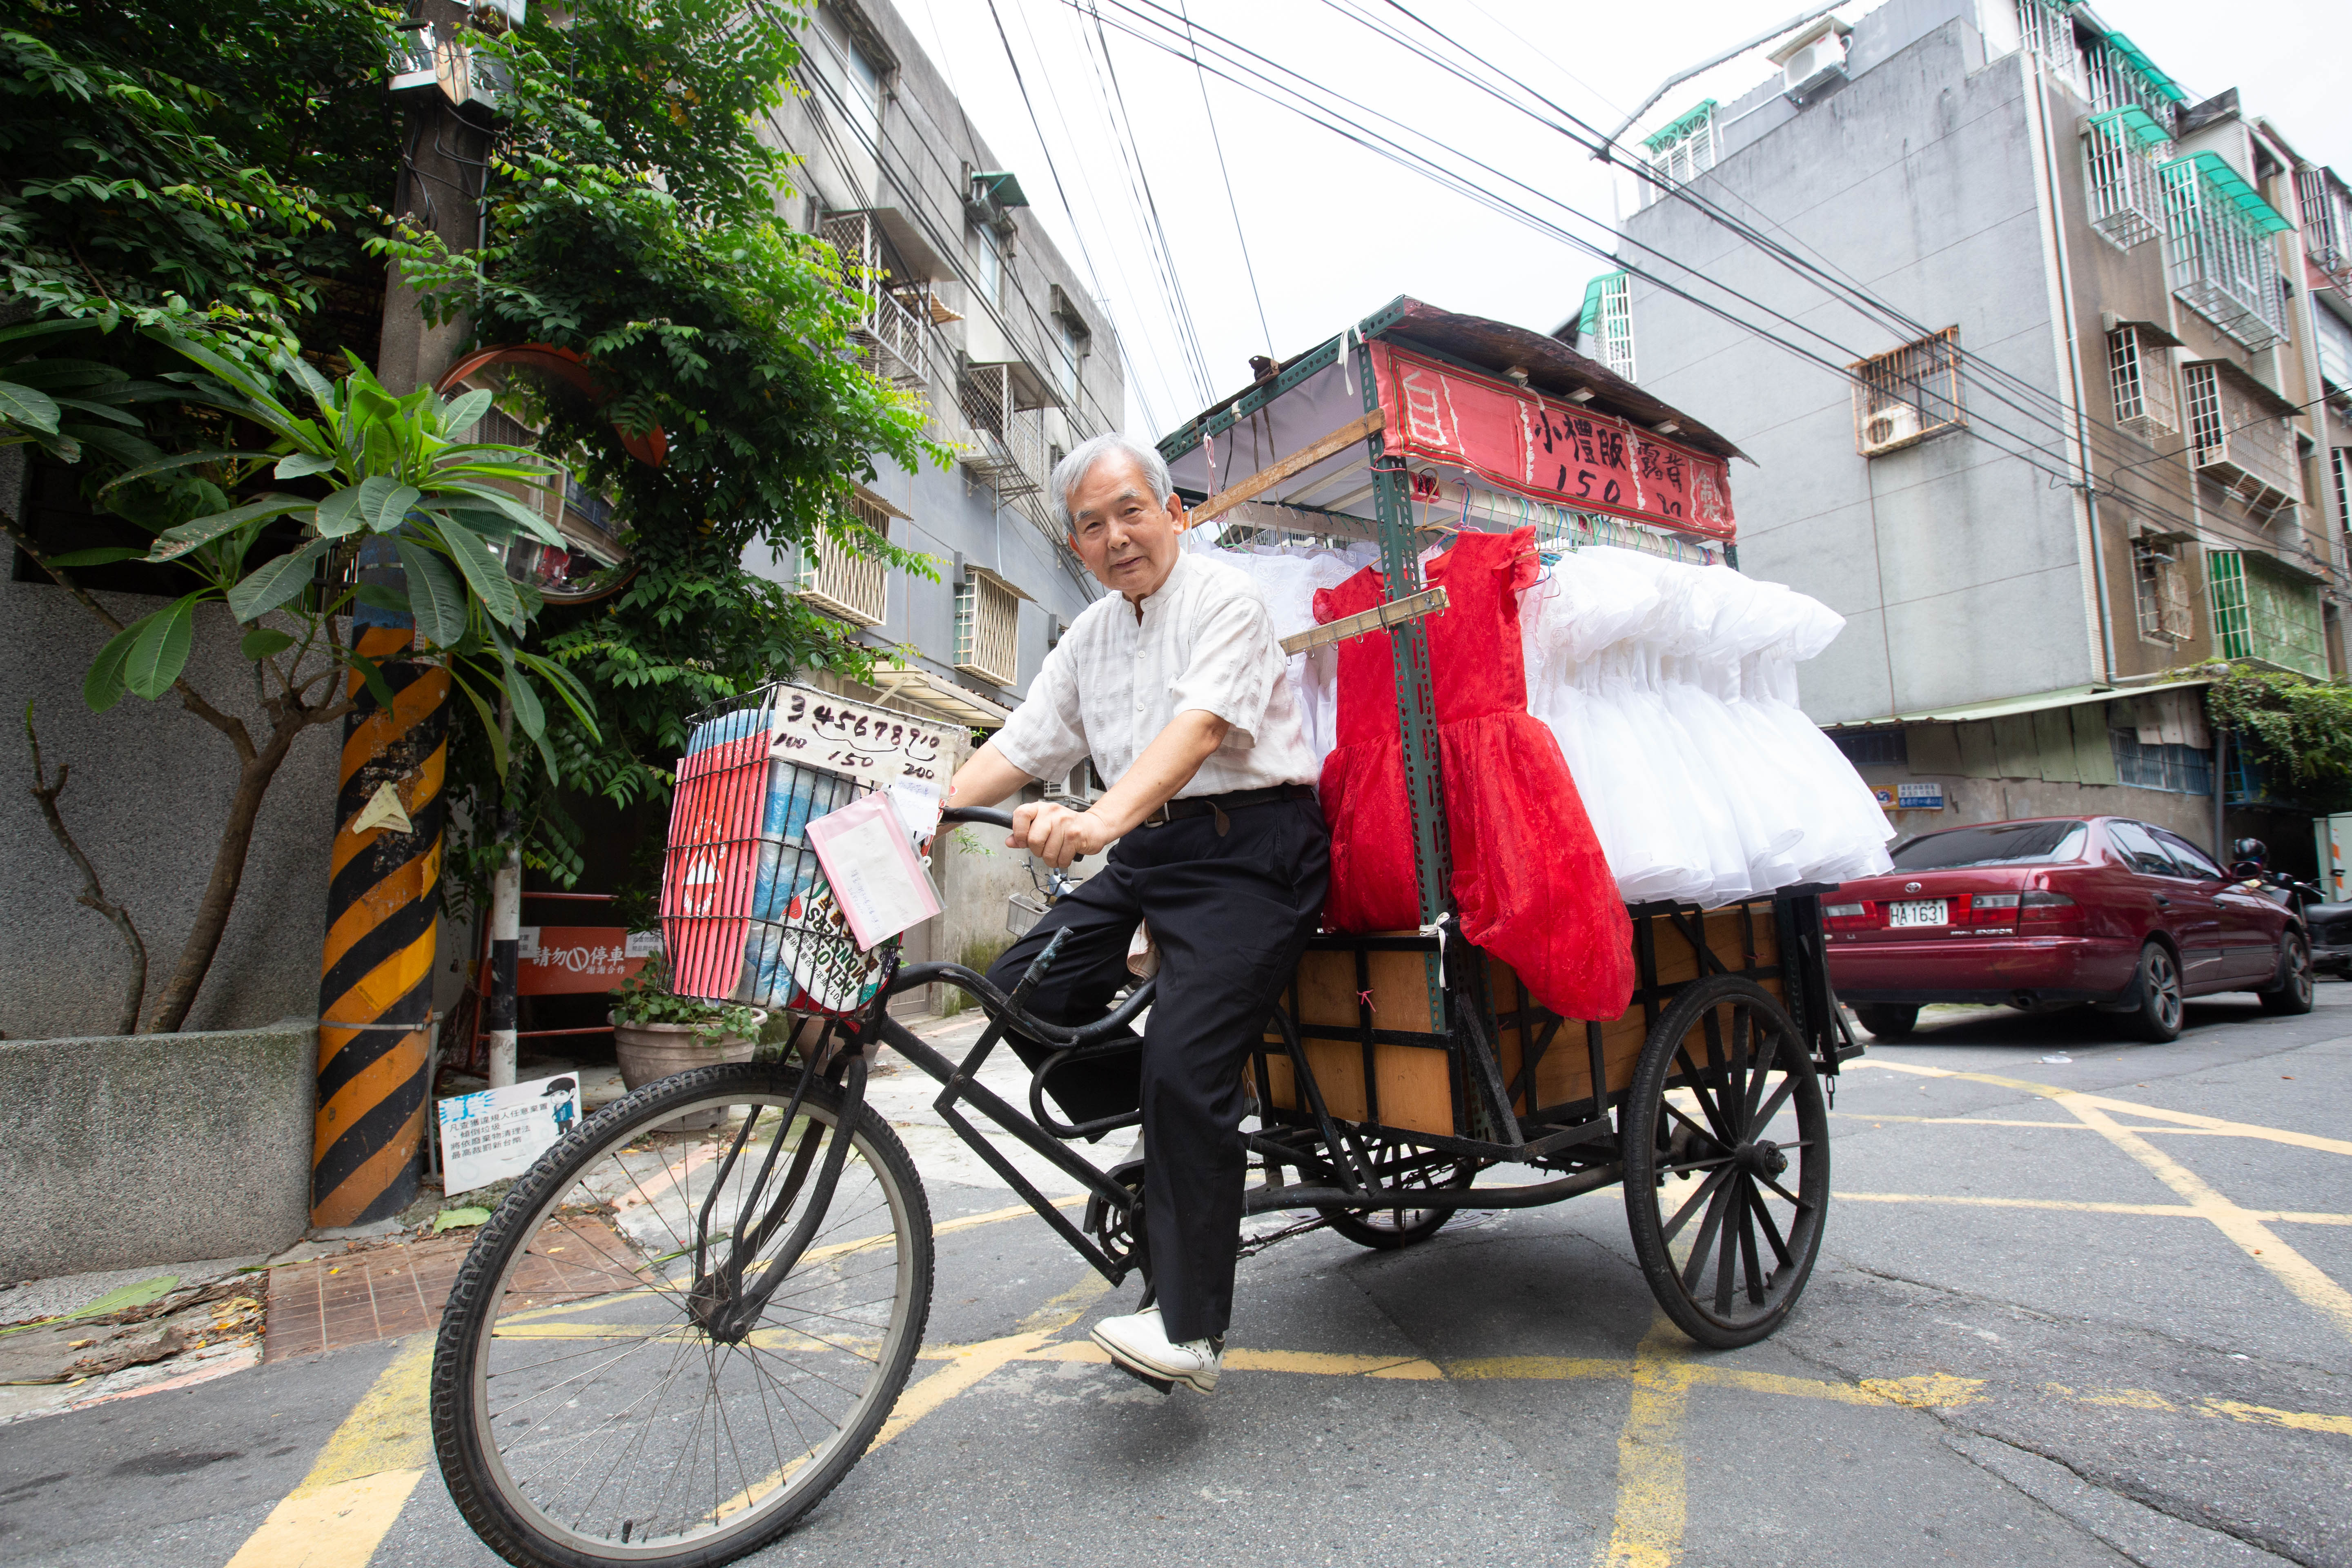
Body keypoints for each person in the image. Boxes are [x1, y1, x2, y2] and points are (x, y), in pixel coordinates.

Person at [944, 432, 1328, 1395]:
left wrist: (1097, 819)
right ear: (1076, 544)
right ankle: (1175, 1138)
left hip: (1252, 854)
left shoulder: (1226, 600)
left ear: (1173, 514)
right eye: (1092, 525)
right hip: (1152, 854)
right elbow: (1024, 743)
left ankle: (1191, 1331)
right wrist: (928, 814)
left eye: (1132, 512)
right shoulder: (1091, 634)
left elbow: (1198, 730)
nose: (1116, 537)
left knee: (1184, 1068)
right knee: (1017, 990)